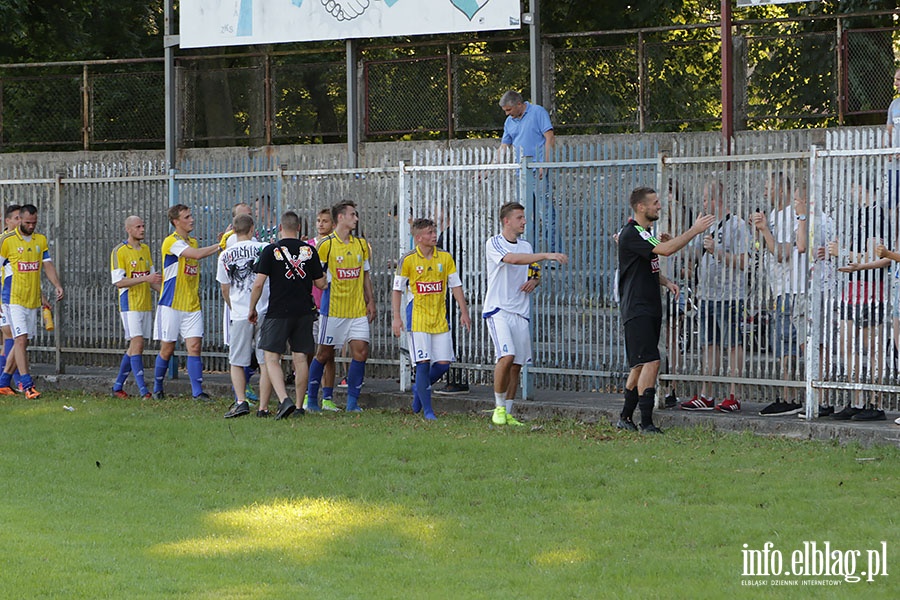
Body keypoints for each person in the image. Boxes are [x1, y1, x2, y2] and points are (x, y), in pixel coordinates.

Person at [617, 187, 714, 433]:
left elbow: (646, 265)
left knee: (639, 365)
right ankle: (647, 423)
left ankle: (625, 418)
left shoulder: (645, 233)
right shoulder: (632, 233)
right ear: (641, 207)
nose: (659, 206)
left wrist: (667, 282)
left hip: (649, 306)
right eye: (655, 203)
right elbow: (667, 250)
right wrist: (695, 230)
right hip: (636, 307)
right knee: (652, 361)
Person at [483, 201, 567, 426]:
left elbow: (534, 271)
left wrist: (534, 280)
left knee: (517, 364)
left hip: (520, 311)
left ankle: (508, 412)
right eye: (519, 218)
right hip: (499, 309)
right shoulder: (494, 243)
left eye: (524, 217)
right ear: (506, 221)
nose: (524, 222)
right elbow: (511, 259)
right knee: (506, 356)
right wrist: (547, 254)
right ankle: (498, 408)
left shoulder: (527, 246)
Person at [680, 181, 751, 412]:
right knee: (708, 344)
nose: (702, 204)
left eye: (704, 199)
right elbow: (692, 255)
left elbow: (744, 262)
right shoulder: (706, 227)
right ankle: (706, 394)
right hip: (707, 294)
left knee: (733, 344)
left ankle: (734, 394)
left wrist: (717, 253)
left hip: (730, 295)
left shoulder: (738, 225)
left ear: (715, 200)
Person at [391, 218, 472, 420]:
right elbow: (397, 289)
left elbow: (455, 285)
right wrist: (396, 318)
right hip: (417, 318)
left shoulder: (445, 257)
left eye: (434, 231)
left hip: (439, 318)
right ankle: (428, 410)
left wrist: (464, 311)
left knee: (443, 364)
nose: (434, 235)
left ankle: (419, 393)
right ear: (419, 238)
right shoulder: (408, 259)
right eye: (429, 232)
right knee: (423, 363)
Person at [249, 211, 326, 420]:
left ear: (281, 228)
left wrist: (252, 308)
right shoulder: (309, 251)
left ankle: (284, 399)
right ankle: (300, 405)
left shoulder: (270, 250)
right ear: (299, 228)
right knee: (300, 358)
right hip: (303, 311)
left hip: (278, 311)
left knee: (271, 358)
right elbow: (321, 284)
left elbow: (258, 284)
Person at [306, 200, 376, 413]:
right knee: (324, 354)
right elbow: (314, 273)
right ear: (341, 218)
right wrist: (321, 285)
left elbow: (365, 274)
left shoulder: (361, 245)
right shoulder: (326, 245)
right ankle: (312, 400)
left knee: (361, 352)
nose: (356, 218)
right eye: (352, 215)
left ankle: (352, 403)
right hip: (333, 311)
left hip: (356, 311)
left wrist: (370, 300)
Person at [750, 173, 809, 416]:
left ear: (780, 189)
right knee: (783, 344)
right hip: (780, 289)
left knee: (792, 343)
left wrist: (764, 230)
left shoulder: (790, 216)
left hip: (794, 288)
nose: (765, 192)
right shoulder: (774, 215)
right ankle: (787, 395)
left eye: (768, 187)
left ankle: (795, 395)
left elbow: (783, 252)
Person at [152, 203, 221, 401]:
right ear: (176, 222)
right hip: (172, 304)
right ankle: (157, 387)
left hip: (192, 304)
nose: (192, 220)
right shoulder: (170, 242)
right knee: (168, 348)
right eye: (187, 217)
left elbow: (198, 254)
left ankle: (197, 392)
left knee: (195, 347)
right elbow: (197, 255)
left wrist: (219, 245)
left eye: (191, 216)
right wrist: (221, 244)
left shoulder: (193, 241)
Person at [833, 186, 890, 422]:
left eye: (854, 188)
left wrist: (844, 252)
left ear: (863, 188)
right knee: (846, 343)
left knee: (870, 346)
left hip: (870, 288)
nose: (851, 193)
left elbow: (878, 258)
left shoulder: (877, 215)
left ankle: (876, 403)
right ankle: (855, 399)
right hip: (852, 286)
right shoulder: (858, 214)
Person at [0, 204, 64, 398]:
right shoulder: (6, 240)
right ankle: (27, 385)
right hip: (13, 298)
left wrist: (56, 284)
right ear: (19, 219)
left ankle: (3, 382)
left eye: (34, 223)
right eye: (27, 222)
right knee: (18, 339)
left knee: (23, 341)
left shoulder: (40, 240)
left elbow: (47, 265)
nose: (30, 226)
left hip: (32, 299)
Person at [218, 213, 272, 418]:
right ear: (252, 230)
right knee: (266, 359)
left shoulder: (225, 255)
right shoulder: (264, 248)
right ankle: (263, 406)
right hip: (263, 308)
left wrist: (234, 307)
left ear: (233, 231)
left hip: (240, 311)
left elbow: (225, 288)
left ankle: (241, 400)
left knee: (237, 360)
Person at [496, 90, 558, 252]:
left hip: (539, 172)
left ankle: (553, 253)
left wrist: (545, 164)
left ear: (518, 104)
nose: (507, 114)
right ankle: (530, 254)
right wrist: (490, 168)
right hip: (522, 175)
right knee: (525, 217)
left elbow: (549, 137)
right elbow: (504, 146)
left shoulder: (537, 112)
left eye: (509, 110)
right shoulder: (509, 122)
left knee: (546, 215)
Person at [109, 216, 162, 398]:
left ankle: (117, 387)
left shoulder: (145, 250)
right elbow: (119, 282)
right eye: (138, 227)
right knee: (137, 344)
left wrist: (166, 293)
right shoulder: (120, 251)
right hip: (130, 304)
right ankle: (143, 391)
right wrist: (146, 279)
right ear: (129, 229)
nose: (142, 229)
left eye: (143, 226)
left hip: (145, 303)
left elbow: (152, 278)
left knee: (135, 347)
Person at [219, 202, 259, 402]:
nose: (250, 217)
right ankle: (240, 393)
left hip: (251, 305)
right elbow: (225, 284)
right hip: (238, 305)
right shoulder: (228, 242)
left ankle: (243, 392)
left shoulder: (258, 243)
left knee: (254, 354)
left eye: (250, 214)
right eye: (246, 215)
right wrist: (232, 306)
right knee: (239, 352)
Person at [302, 208, 340, 411]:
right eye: (318, 220)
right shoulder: (307, 247)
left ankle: (327, 397)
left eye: (325, 221)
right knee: (309, 353)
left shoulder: (335, 246)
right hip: (309, 306)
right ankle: (309, 394)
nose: (320, 224)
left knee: (328, 354)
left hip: (328, 306)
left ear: (333, 224)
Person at [0, 204, 24, 390]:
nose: (19, 221)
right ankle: (10, 381)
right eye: (16, 218)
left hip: (17, 296)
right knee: (12, 336)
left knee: (11, 338)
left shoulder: (20, 242)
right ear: (7, 221)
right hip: (5, 296)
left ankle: (8, 381)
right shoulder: (4, 241)